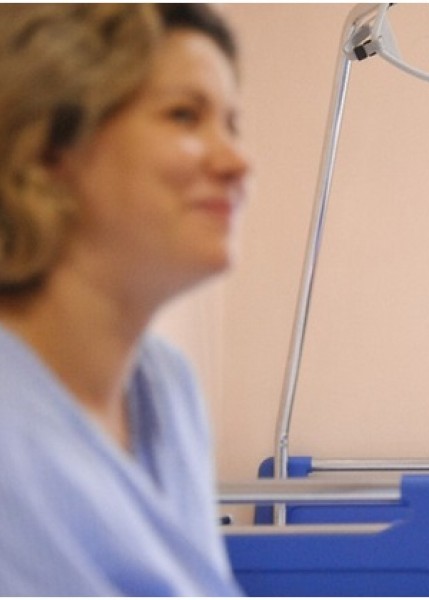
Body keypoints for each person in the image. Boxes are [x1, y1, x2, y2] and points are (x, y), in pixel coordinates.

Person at [0, 4, 249, 595]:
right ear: (50, 148)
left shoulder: (166, 388)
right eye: (185, 115)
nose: (237, 161)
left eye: (232, 124)